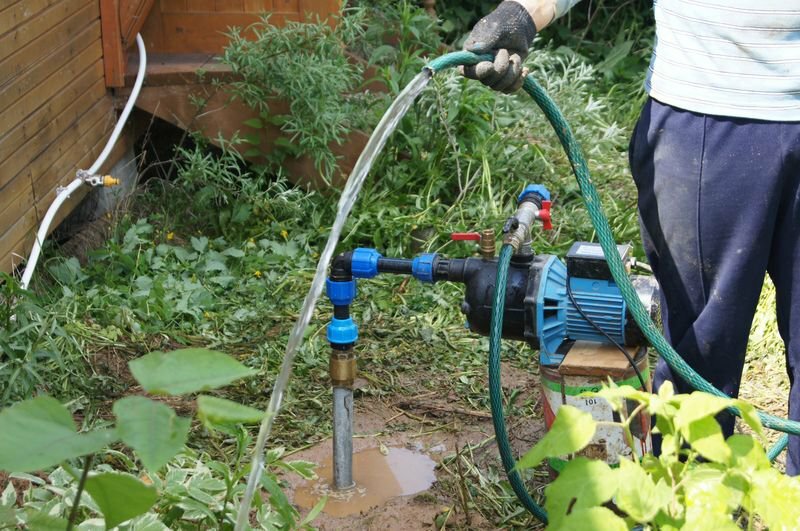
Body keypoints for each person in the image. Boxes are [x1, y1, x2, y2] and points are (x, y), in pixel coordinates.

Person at [463, 0, 800, 475]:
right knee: (698, 354)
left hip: (712, 121)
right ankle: (692, 508)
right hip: (711, 107)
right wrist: (525, 13)